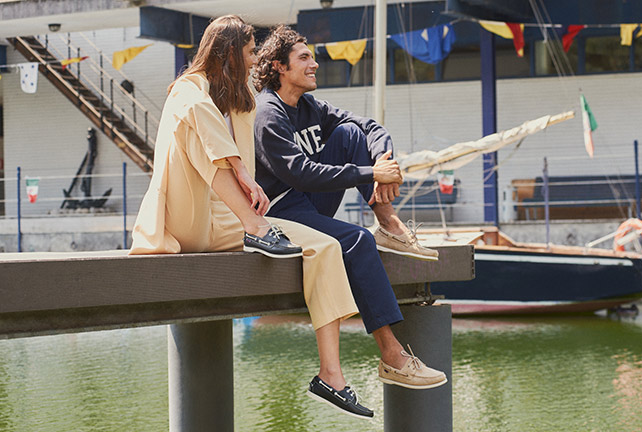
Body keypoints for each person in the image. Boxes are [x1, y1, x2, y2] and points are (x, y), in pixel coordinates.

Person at [129, 16, 372, 419]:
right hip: (185, 219)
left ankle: (331, 376)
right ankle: (258, 227)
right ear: (227, 54)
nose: (254, 59)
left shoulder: (241, 99)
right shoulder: (186, 94)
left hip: (230, 222)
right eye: (248, 52)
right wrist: (242, 172)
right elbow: (206, 131)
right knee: (196, 120)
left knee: (325, 246)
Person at [252, 25, 447, 416]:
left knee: (350, 134)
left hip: (310, 204)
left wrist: (383, 162)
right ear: (279, 67)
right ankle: (392, 355)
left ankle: (389, 224)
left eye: (312, 56)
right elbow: (300, 173)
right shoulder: (267, 113)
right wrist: (371, 175)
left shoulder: (310, 106)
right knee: (357, 241)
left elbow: (370, 127)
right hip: (282, 213)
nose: (314, 63)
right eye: (304, 58)